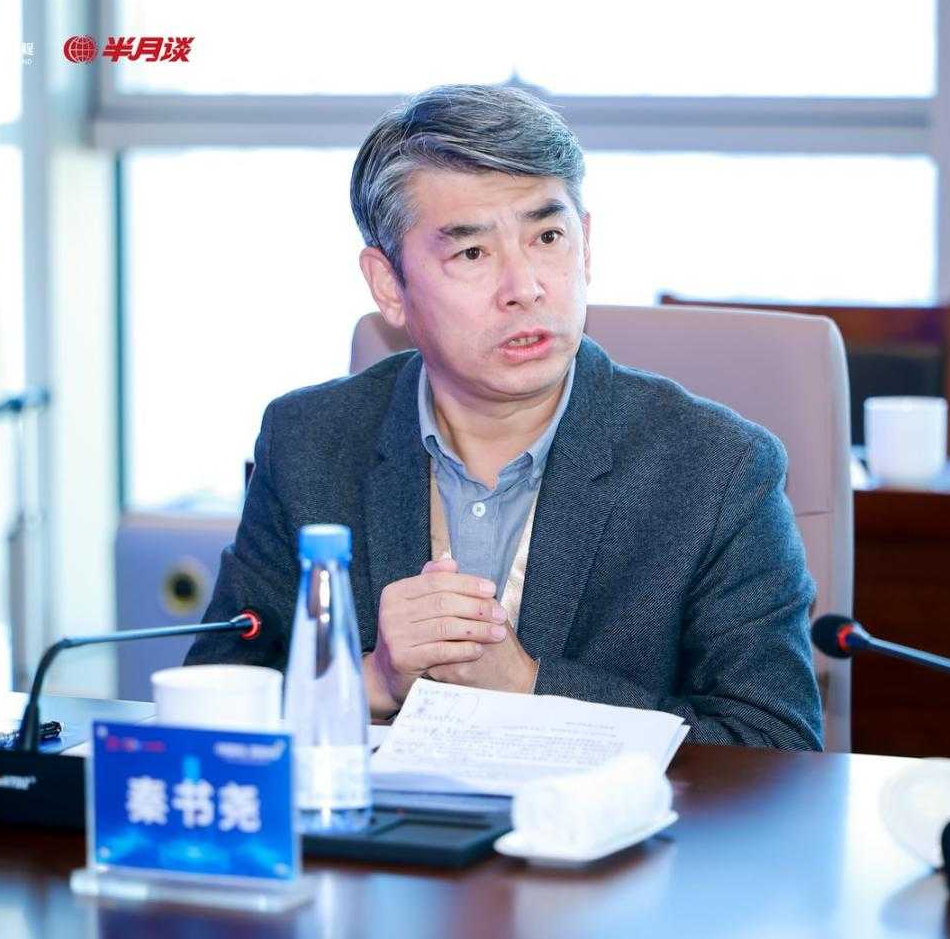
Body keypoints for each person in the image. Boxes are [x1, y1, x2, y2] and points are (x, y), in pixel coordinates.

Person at [186, 84, 822, 749]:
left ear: (585, 245)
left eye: (547, 236)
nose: (525, 288)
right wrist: (370, 681)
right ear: (388, 285)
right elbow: (211, 695)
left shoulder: (716, 469)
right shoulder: (309, 442)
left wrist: (525, 686)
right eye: (472, 253)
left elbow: (775, 747)